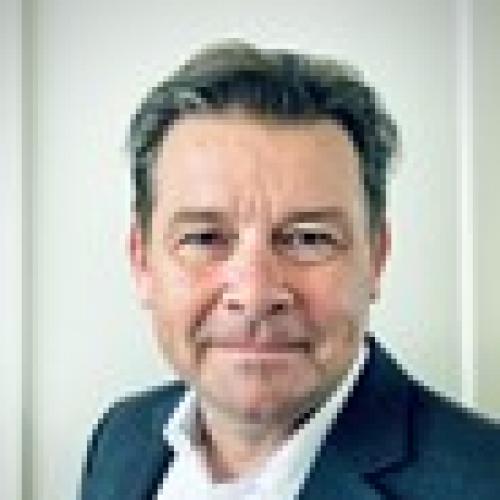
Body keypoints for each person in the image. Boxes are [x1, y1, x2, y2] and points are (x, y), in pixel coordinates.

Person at [80, 40, 500, 499]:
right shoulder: (119, 439)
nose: (256, 294)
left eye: (309, 239)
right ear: (142, 262)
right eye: (204, 238)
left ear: (377, 258)